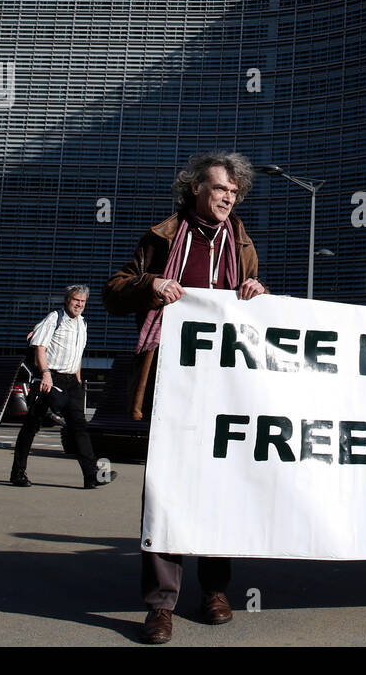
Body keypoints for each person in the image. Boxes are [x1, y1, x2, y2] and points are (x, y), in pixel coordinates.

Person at [103, 151, 267, 645]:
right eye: (221, 189)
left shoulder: (242, 242)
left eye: (235, 192)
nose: (228, 198)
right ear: (196, 187)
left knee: (221, 486)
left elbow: (253, 310)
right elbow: (113, 292)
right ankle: (160, 605)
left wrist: (257, 291)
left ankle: (215, 591)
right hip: (170, 382)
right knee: (168, 490)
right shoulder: (161, 238)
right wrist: (151, 284)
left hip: (225, 385)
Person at [9, 285, 114, 490]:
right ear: (67, 300)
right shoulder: (54, 318)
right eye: (76, 300)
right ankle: (17, 473)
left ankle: (91, 475)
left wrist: (78, 380)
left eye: (83, 301)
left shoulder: (82, 323)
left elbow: (78, 355)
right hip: (51, 379)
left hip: (71, 382)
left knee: (79, 427)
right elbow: (39, 346)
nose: (80, 304)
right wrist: (46, 374)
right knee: (32, 426)